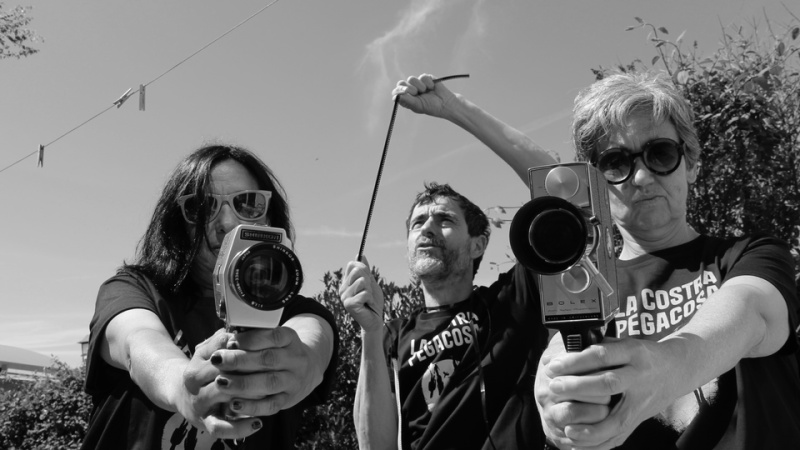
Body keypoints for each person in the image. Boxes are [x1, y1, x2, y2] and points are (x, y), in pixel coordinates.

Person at [394, 72, 800, 449]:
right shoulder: (578, 282)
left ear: (691, 165)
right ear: (596, 185)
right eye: (616, 163)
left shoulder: (749, 255)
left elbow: (753, 314)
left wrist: (665, 366)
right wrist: (559, 401)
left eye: (660, 154)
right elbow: (555, 182)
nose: (641, 178)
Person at [82, 144, 339, 450]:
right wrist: (181, 386)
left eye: (249, 204)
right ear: (178, 223)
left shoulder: (297, 312)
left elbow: (313, 341)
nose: (227, 222)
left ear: (269, 219)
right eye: (203, 207)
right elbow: (137, 343)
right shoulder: (134, 289)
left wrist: (303, 363)